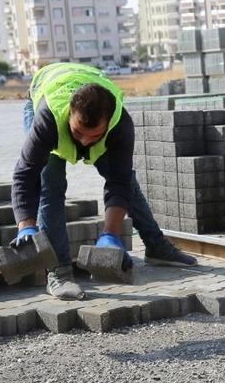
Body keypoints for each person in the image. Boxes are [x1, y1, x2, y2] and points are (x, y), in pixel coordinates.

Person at [11, 62, 196, 301]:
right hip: (42, 93)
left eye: (95, 136)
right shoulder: (49, 118)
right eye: (78, 133)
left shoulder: (121, 125)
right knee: (51, 185)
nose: (85, 142)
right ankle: (59, 274)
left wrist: (111, 235)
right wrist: (25, 225)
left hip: (86, 98)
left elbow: (119, 182)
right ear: (69, 115)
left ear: (108, 124)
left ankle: (156, 246)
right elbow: (25, 174)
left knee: (126, 180)